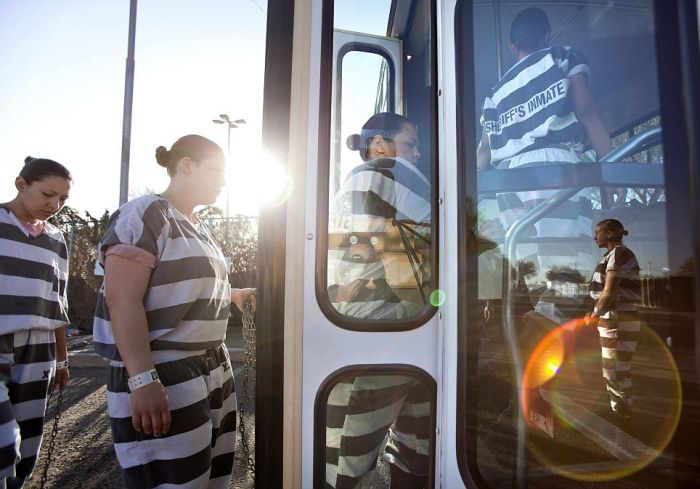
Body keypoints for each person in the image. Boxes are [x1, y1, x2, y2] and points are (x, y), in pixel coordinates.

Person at [92, 135, 255, 488]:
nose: (223, 182)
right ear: (186, 166)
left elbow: (184, 286)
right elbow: (122, 298)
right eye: (216, 171)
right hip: (165, 367)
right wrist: (142, 379)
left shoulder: (197, 225)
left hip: (211, 364)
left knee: (210, 479)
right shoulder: (148, 212)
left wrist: (234, 294)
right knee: (174, 481)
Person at [476, 6, 622, 296]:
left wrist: (471, 197)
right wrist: (613, 170)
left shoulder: (495, 92)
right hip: (555, 166)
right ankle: (551, 325)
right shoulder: (560, 56)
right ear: (547, 35)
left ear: (511, 45)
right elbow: (586, 111)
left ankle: (539, 324)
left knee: (531, 267)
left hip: (509, 179)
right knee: (566, 271)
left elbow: (483, 151)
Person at [326, 113, 431, 489]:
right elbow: (445, 234)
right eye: (411, 143)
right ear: (380, 145)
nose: (417, 154)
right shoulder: (389, 170)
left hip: (367, 326)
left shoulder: (353, 187)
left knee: (360, 453)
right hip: (387, 327)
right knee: (355, 457)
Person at [0, 157, 72, 487]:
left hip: (39, 348)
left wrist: (62, 359)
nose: (54, 205)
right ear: (21, 184)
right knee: (3, 444)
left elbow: (57, 305)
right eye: (47, 194)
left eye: (62, 199)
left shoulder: (57, 240)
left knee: (28, 443)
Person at [586, 219, 641, 430]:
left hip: (617, 318)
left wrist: (595, 313)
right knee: (619, 369)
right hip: (614, 317)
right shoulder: (612, 255)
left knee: (614, 370)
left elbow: (609, 292)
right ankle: (622, 411)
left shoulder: (618, 253)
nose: (594, 237)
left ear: (609, 233)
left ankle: (623, 415)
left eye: (597, 233)